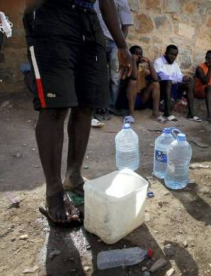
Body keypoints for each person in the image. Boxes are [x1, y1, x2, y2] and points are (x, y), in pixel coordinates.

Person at [23, 0, 132, 226]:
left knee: (85, 106)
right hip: (52, 17)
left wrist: (122, 45)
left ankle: (73, 176)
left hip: (90, 23)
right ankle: (54, 192)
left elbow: (107, 1)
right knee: (54, 107)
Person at [94, 0, 133, 120]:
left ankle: (109, 107)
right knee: (98, 75)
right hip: (96, 40)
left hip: (114, 43)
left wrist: (121, 46)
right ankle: (96, 107)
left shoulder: (122, 1)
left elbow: (125, 26)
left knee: (115, 77)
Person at [154, 45, 202, 122]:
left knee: (189, 82)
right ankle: (167, 112)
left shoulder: (175, 65)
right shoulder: (158, 62)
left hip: (172, 88)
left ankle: (191, 114)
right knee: (168, 81)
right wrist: (178, 78)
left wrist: (184, 78)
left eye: (175, 55)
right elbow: (162, 76)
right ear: (165, 53)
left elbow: (179, 76)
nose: (173, 57)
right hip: (161, 88)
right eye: (171, 54)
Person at [117, 45, 164, 124]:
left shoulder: (143, 69)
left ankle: (155, 113)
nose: (138, 56)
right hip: (127, 101)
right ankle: (131, 115)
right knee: (133, 82)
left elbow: (155, 78)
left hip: (140, 100)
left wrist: (149, 62)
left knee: (155, 84)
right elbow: (134, 77)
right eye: (135, 54)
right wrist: (132, 60)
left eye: (140, 54)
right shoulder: (125, 66)